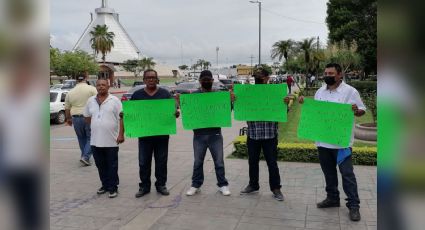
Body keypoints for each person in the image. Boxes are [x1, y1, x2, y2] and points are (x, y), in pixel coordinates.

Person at [298, 63, 366, 221]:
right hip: (323, 142)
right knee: (328, 173)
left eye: (331, 73)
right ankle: (332, 198)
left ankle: (354, 206)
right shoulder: (320, 91)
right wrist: (305, 103)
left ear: (340, 75)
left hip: (342, 143)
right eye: (326, 73)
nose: (327, 75)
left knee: (347, 175)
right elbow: (316, 112)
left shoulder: (350, 91)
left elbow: (362, 110)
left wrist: (357, 110)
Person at [239, 67, 290, 201]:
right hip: (253, 134)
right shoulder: (247, 92)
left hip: (270, 135)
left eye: (261, 76)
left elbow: (284, 113)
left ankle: (276, 188)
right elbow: (239, 107)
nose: (258, 78)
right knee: (252, 161)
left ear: (267, 78)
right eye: (256, 76)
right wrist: (235, 98)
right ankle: (253, 185)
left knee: (272, 163)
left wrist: (285, 104)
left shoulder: (275, 92)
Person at [180, 70, 232, 196]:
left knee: (219, 162)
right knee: (198, 161)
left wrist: (230, 101)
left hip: (215, 134)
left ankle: (223, 185)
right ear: (200, 81)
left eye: (209, 79)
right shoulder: (194, 96)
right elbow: (188, 113)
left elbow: (227, 112)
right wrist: (180, 102)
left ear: (212, 81)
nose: (207, 81)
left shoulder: (218, 95)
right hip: (199, 135)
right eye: (204, 80)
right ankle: (195, 185)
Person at [131, 69, 180, 198]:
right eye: (148, 78)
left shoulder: (164, 93)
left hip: (162, 136)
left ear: (157, 79)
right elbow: (131, 113)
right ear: (144, 80)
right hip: (144, 135)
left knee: (161, 161)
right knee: (143, 162)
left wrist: (175, 112)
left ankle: (161, 185)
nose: (151, 80)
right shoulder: (137, 95)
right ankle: (144, 186)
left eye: (153, 77)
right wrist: (125, 115)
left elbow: (173, 108)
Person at [83, 79, 124, 198]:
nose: (101, 87)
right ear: (96, 87)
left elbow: (122, 118)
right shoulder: (90, 101)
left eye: (103, 85)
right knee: (100, 165)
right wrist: (97, 125)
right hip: (95, 140)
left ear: (108, 87)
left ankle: (113, 187)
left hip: (111, 140)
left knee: (112, 165)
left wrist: (121, 134)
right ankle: (105, 185)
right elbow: (87, 117)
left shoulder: (115, 100)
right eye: (99, 85)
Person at [65, 72, 97, 166]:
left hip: (75, 117)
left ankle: (84, 156)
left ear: (76, 80)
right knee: (91, 137)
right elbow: (98, 100)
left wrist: (68, 119)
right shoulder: (91, 89)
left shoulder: (70, 92)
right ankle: (85, 157)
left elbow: (67, 108)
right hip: (88, 117)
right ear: (86, 78)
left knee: (81, 138)